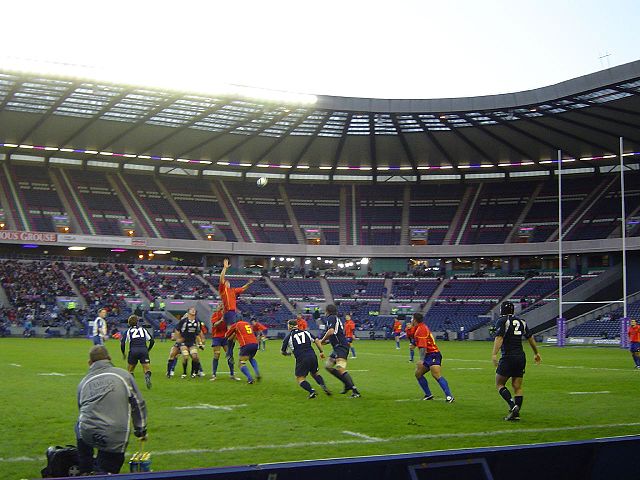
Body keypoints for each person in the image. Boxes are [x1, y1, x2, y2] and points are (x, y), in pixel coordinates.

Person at [76, 346, 147, 475]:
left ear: (90, 363)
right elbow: (138, 404)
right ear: (109, 358)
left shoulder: (83, 382)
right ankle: (103, 471)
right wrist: (141, 429)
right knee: (108, 466)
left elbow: (81, 409)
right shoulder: (123, 375)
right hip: (115, 434)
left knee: (79, 425)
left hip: (88, 433)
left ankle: (85, 468)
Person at [492, 301, 541, 421]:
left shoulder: (503, 321)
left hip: (508, 356)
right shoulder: (522, 322)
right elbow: (530, 338)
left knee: (499, 384)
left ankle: (512, 406)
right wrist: (536, 353)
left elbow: (499, 337)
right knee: (517, 386)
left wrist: (494, 354)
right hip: (520, 357)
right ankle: (516, 413)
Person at [281, 319, 331, 398]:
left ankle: (312, 391)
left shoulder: (288, 337)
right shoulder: (306, 332)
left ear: (290, 326)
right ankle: (323, 386)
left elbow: (283, 351)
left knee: (300, 378)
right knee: (315, 373)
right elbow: (317, 340)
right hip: (312, 355)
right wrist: (321, 351)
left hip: (302, 358)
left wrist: (287, 354)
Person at [319, 304, 361, 398]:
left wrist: (322, 341)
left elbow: (331, 331)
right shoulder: (334, 318)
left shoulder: (331, 318)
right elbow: (337, 334)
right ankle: (347, 384)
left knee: (340, 368)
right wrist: (328, 341)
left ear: (328, 311)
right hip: (338, 347)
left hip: (341, 347)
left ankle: (355, 391)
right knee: (328, 366)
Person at [412, 313, 454, 402]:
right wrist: (414, 344)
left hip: (433, 354)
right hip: (428, 355)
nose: (411, 320)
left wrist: (422, 360)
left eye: (412, 319)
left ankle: (449, 396)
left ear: (415, 320)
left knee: (436, 374)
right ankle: (428, 395)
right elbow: (420, 340)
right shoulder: (419, 327)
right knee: (418, 374)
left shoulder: (421, 329)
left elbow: (423, 346)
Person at [120, 315, 154, 389]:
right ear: (137, 322)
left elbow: (122, 343)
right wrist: (148, 349)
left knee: (130, 370)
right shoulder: (143, 329)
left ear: (129, 323)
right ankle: (147, 376)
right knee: (147, 369)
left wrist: (123, 353)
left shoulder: (128, 331)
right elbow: (152, 341)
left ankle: (132, 385)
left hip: (133, 351)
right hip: (143, 350)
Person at [210, 304, 241, 381]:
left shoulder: (229, 315)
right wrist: (221, 320)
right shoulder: (215, 314)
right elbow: (214, 325)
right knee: (217, 354)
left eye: (223, 305)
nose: (221, 306)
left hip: (226, 337)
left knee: (229, 354)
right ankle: (214, 374)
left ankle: (232, 374)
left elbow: (231, 327)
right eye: (220, 305)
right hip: (217, 336)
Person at [226, 317, 261, 383]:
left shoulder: (236, 325)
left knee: (241, 363)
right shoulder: (248, 324)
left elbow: (227, 335)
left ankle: (250, 378)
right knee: (251, 358)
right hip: (255, 343)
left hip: (246, 344)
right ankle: (257, 372)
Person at [174, 307, 204, 379]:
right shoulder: (183, 321)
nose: (193, 310)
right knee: (186, 356)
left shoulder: (197, 322)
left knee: (195, 357)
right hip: (184, 342)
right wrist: (178, 339)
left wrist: (200, 342)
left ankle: (194, 372)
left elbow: (198, 333)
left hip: (192, 342)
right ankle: (184, 373)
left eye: (194, 310)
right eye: (191, 310)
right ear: (188, 312)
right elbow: (177, 330)